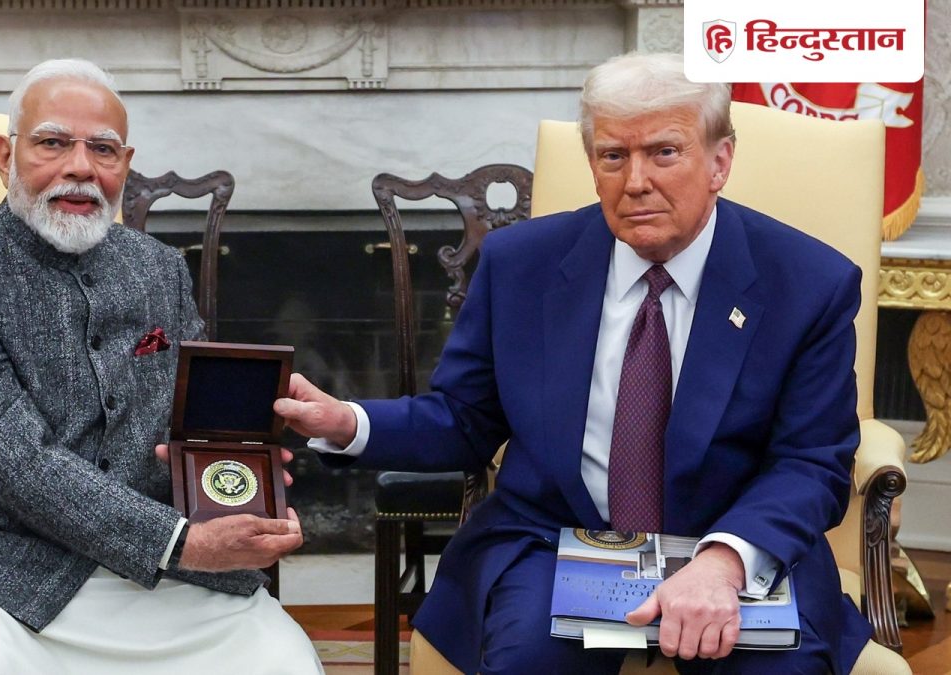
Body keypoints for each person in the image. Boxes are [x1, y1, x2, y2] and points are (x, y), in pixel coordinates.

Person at [276, 52, 873, 674]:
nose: (635, 181)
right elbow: (465, 418)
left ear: (720, 161)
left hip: (732, 541)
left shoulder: (807, 283)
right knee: (525, 661)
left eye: (664, 153)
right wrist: (347, 423)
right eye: (613, 156)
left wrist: (723, 564)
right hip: (558, 538)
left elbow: (811, 462)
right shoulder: (521, 263)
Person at [0, 58, 322, 674]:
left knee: (280, 659)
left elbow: (194, 418)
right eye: (52, 142)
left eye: (103, 149)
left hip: (143, 573)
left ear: (126, 164)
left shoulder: (158, 267)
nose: (80, 166)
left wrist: (240, 473)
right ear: (5, 155)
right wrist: (180, 541)